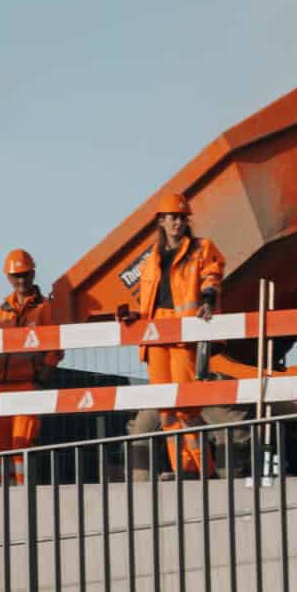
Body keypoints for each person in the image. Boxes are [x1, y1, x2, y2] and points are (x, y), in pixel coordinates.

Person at [119, 191, 226, 475]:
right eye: (171, 218)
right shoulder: (152, 259)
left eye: (180, 218)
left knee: (186, 407)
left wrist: (208, 299)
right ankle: (182, 468)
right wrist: (134, 316)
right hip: (156, 335)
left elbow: (212, 274)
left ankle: (203, 469)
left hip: (183, 334)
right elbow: (149, 300)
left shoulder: (201, 248)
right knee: (165, 409)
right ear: (162, 222)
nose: (176, 223)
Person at [0, 250, 61, 484]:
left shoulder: (45, 308)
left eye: (25, 275)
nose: (21, 280)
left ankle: (21, 494)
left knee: (21, 445)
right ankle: (1, 495)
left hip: (26, 384)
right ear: (8, 277)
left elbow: (55, 345)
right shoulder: (0, 311)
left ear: (33, 274)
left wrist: (46, 372)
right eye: (16, 275)